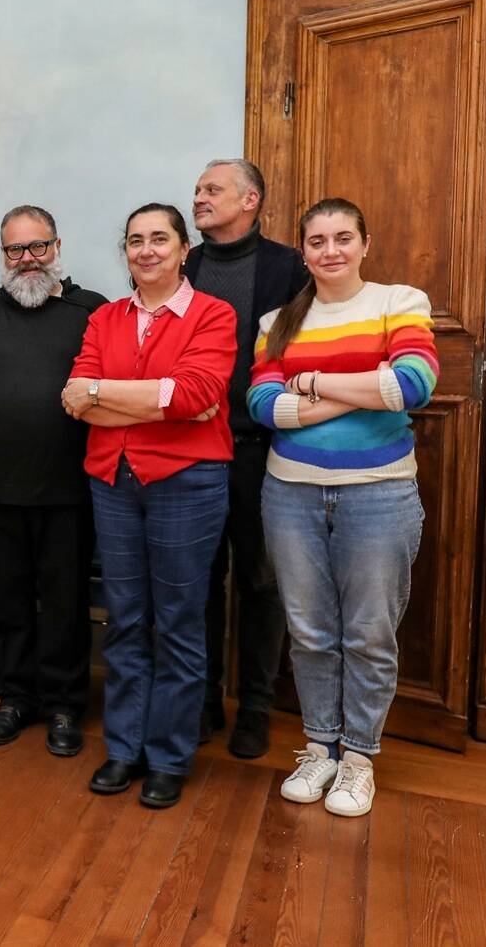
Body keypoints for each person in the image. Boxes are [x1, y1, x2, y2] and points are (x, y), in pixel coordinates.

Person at [248, 198, 437, 818]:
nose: (330, 250)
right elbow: (265, 408)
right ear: (303, 252)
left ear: (365, 244)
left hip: (379, 494)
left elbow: (411, 385)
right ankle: (319, 749)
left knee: (369, 633)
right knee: (309, 632)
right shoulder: (278, 321)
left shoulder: (398, 302)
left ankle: (358, 759)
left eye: (343, 238)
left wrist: (312, 383)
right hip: (290, 494)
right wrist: (364, 388)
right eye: (317, 241)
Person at [63, 203, 236, 810]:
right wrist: (158, 402)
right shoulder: (104, 318)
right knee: (126, 619)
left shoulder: (213, 314)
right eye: (135, 240)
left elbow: (197, 394)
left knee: (179, 622)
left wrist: (104, 394)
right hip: (113, 482)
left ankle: (167, 757)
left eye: (159, 238)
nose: (146, 250)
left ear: (184, 249)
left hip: (188, 484)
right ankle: (124, 748)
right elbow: (75, 399)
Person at [0, 206, 107, 754]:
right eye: (15, 249)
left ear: (56, 247)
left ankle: (64, 705)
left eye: (38, 246)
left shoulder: (92, 313)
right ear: (3, 255)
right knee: (6, 603)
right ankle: (13, 698)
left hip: (69, 494)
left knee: (64, 605)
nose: (27, 258)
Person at [187, 158, 310, 757]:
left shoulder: (289, 267)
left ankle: (256, 709)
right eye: (197, 190)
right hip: (191, 449)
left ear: (250, 199)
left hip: (259, 451)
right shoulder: (183, 265)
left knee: (261, 583)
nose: (199, 197)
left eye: (212, 189)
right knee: (200, 582)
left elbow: (302, 353)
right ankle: (204, 702)